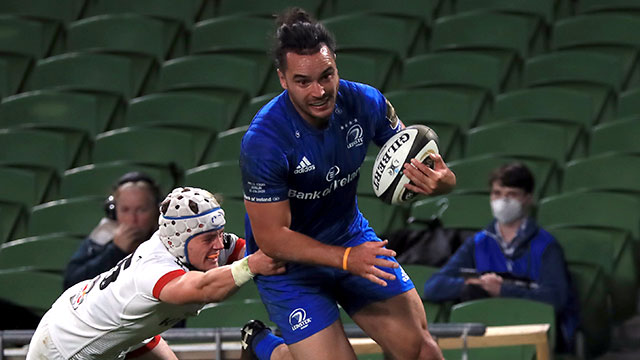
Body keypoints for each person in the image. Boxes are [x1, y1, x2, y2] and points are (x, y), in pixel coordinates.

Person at [239, 8, 456, 360]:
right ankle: (266, 348)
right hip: (289, 265)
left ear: (336, 64)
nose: (319, 90)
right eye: (303, 81)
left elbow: (411, 160)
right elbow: (271, 238)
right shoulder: (264, 141)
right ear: (282, 78)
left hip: (349, 237)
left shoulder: (365, 102)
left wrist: (442, 181)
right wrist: (345, 259)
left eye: (327, 76)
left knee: (422, 351)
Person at [26, 187, 285, 360]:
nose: (219, 244)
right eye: (209, 238)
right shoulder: (154, 270)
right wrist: (252, 265)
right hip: (65, 346)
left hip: (124, 330)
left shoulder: (191, 244)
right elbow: (204, 288)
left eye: (220, 233)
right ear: (181, 240)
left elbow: (254, 251)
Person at [423, 162, 579, 352]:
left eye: (511, 194)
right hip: (484, 336)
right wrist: (476, 284)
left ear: (527, 198)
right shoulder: (478, 243)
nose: (502, 201)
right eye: (497, 193)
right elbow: (433, 287)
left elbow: (556, 298)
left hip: (529, 338)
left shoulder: (546, 246)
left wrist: (503, 290)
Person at [63, 172, 162, 289]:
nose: (132, 219)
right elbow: (72, 283)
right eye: (125, 210)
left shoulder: (168, 239)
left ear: (157, 210)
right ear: (114, 212)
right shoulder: (102, 238)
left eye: (142, 210)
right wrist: (115, 251)